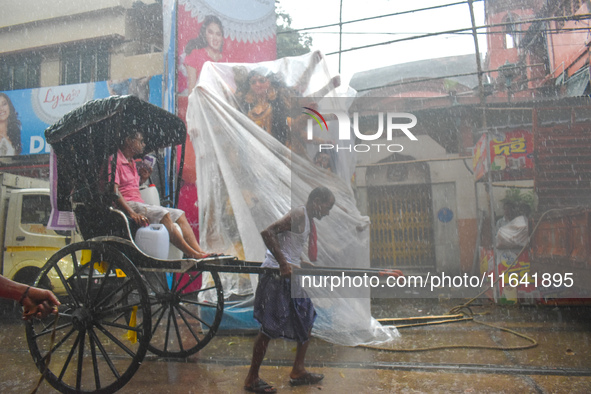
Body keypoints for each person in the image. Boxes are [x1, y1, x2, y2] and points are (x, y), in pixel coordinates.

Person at [244, 186, 335, 393]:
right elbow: (267, 233)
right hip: (276, 275)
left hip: (290, 275)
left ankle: (298, 370)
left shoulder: (308, 219)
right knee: (268, 328)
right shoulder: (298, 214)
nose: (328, 212)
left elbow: (289, 244)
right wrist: (284, 263)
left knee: (307, 317)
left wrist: (300, 262)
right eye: (327, 207)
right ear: (316, 202)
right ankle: (251, 378)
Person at [113, 130, 211, 259]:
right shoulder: (114, 161)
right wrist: (131, 213)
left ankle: (200, 252)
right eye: (140, 141)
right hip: (129, 204)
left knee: (179, 214)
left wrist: (143, 179)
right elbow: (114, 190)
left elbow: (131, 187)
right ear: (128, 141)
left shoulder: (131, 162)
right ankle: (191, 253)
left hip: (139, 203)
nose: (143, 144)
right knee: (163, 215)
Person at [184, 15, 228, 94]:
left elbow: (227, 90)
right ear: (205, 34)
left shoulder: (225, 60)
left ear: (222, 37)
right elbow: (192, 88)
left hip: (220, 104)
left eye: (218, 34)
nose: (215, 38)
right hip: (201, 103)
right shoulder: (195, 55)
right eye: (210, 32)